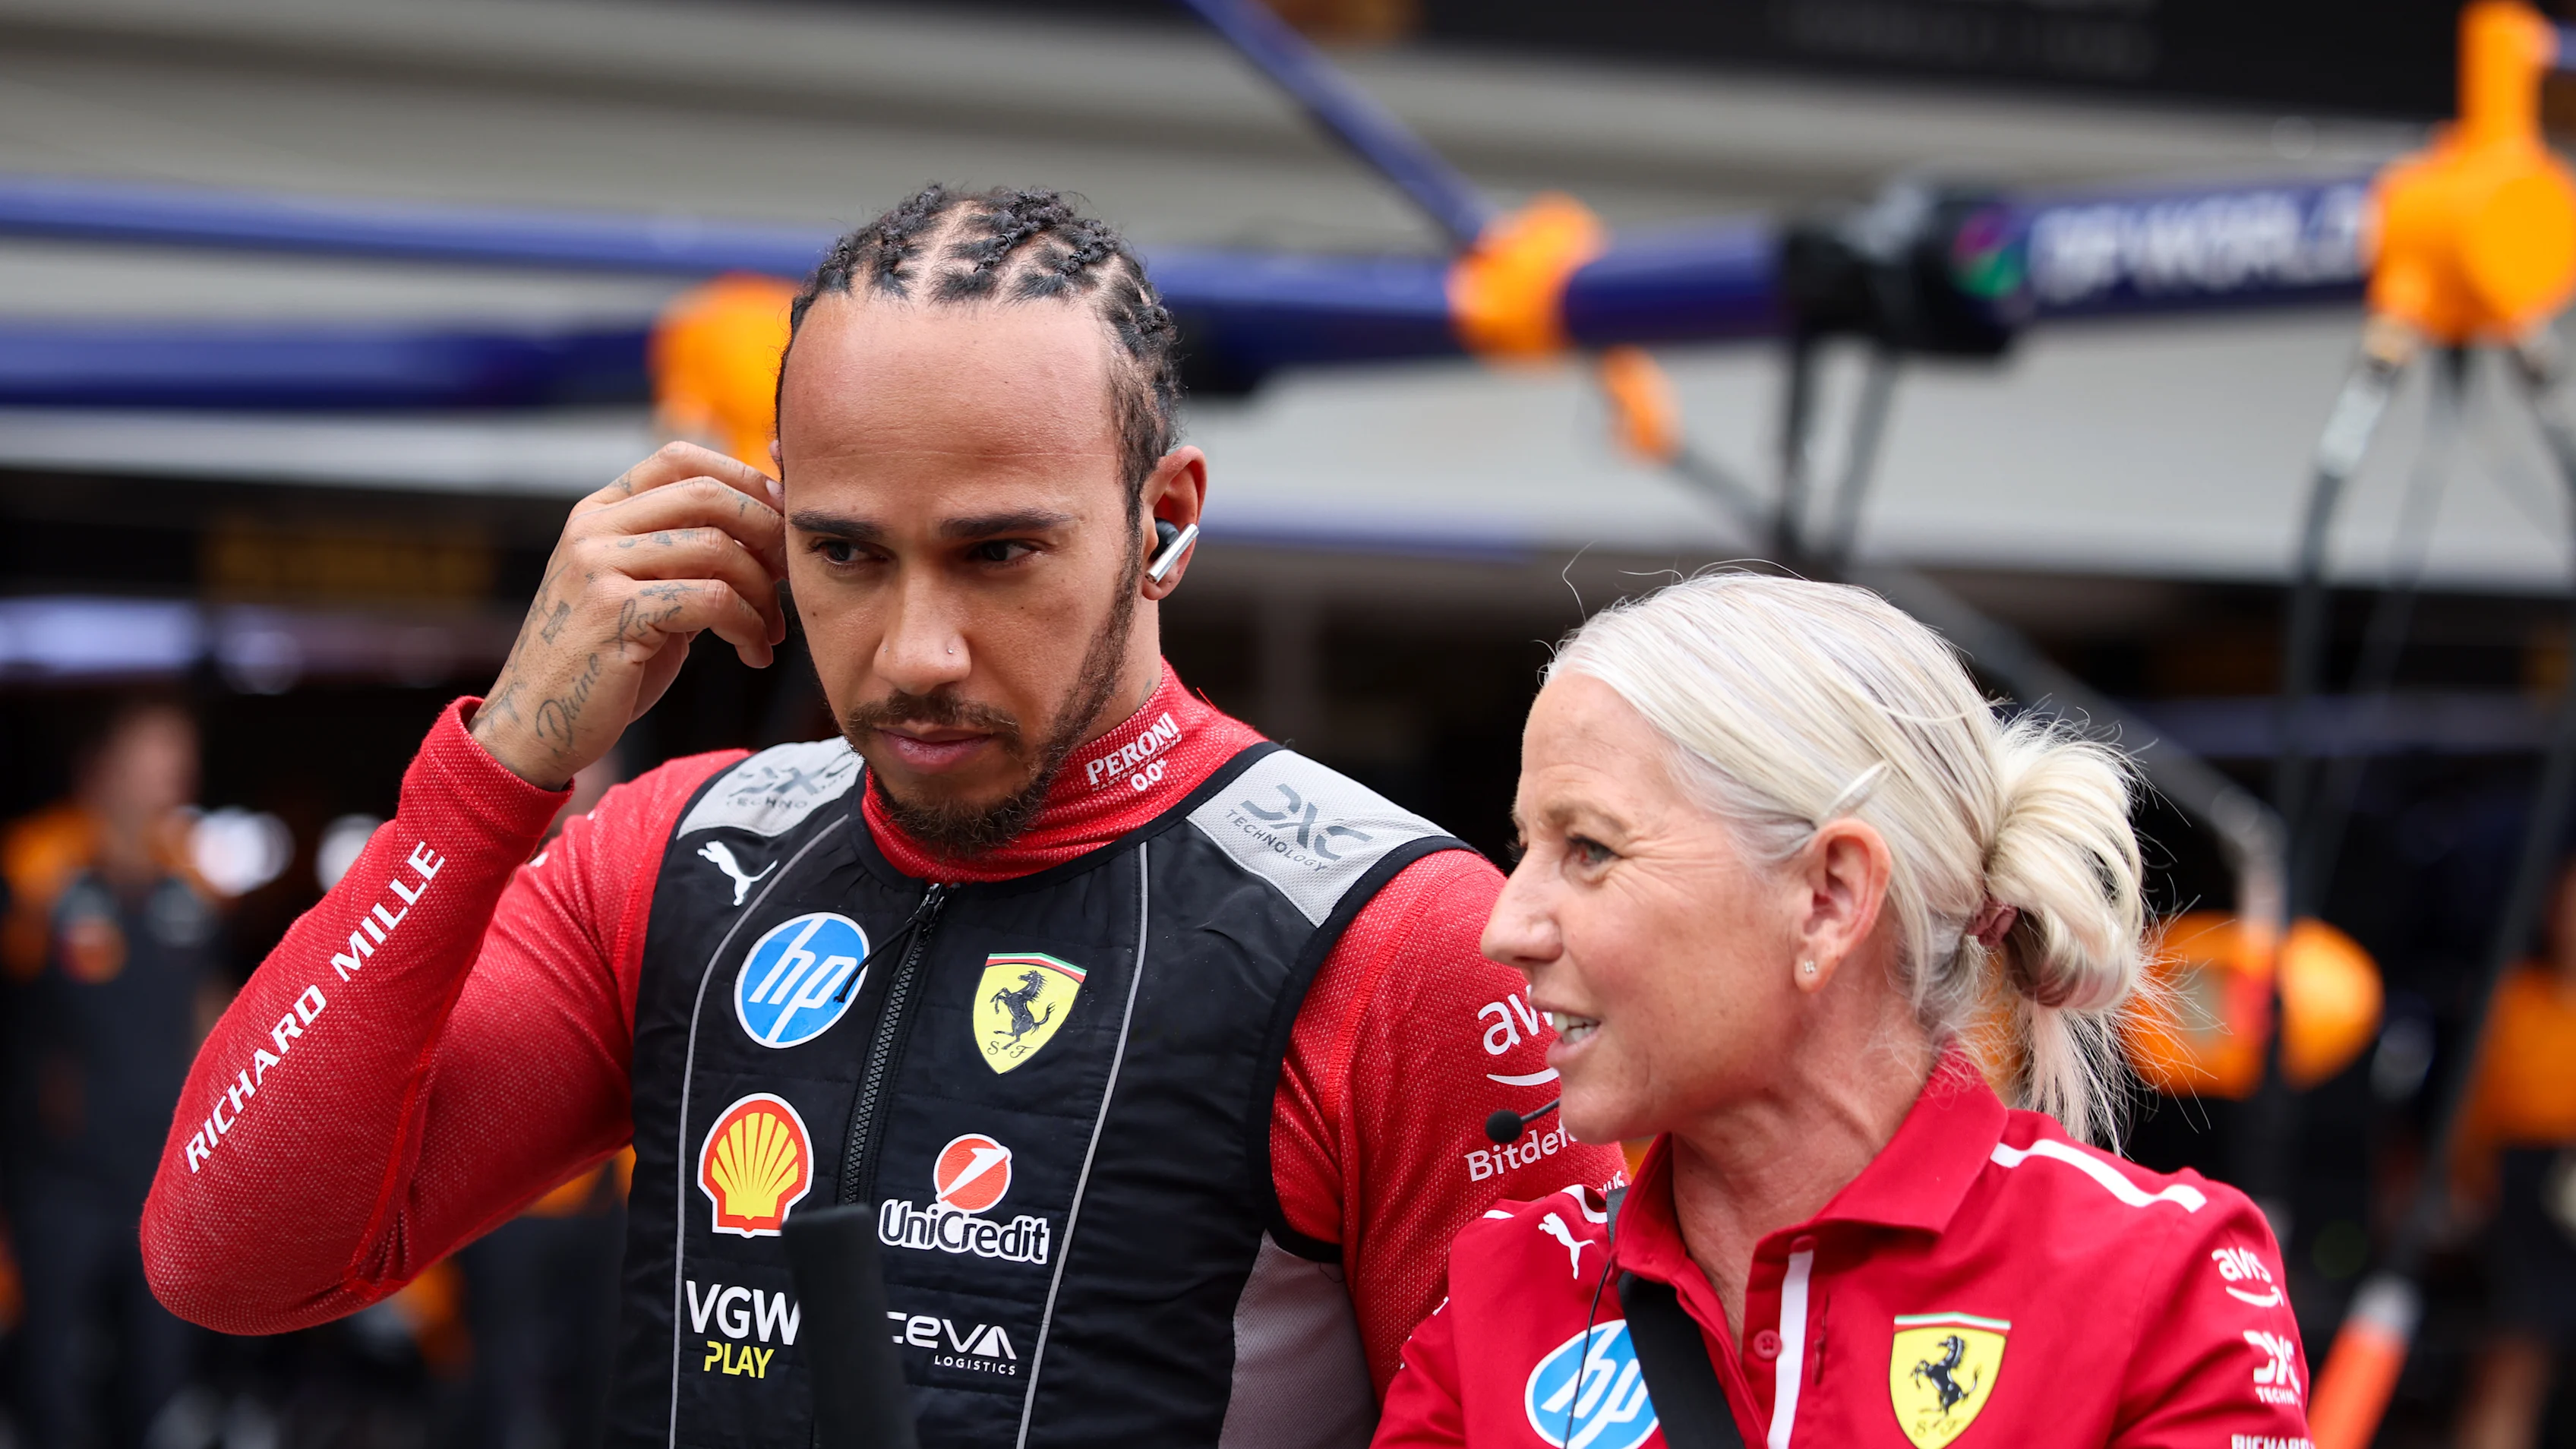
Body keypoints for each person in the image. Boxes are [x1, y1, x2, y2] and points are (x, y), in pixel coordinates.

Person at [141, 185, 1621, 1448]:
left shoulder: (1400, 933)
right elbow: (232, 1260)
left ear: (1163, 517)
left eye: (998, 554)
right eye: (845, 552)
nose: (917, 650)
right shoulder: (677, 856)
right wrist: (501, 771)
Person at [1372, 575, 2312, 1449]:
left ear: (1827, 897)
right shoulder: (1505, 1293)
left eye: (1587, 848)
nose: (1506, 925)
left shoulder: (2160, 1277)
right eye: (1524, 845)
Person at [3, 698, 218, 1447]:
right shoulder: (37, 863)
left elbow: (212, 1016)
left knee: (158, 1378)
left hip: (159, 1179)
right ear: (102, 766)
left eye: (180, 752)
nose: (173, 770)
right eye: (155, 750)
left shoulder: (192, 877)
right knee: (50, 1371)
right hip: (58, 1177)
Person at [2448, 854, 2576, 1449]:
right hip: (2529, 1191)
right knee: (2515, 1357)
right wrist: (2468, 1181)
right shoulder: (2513, 998)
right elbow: (2472, 1107)